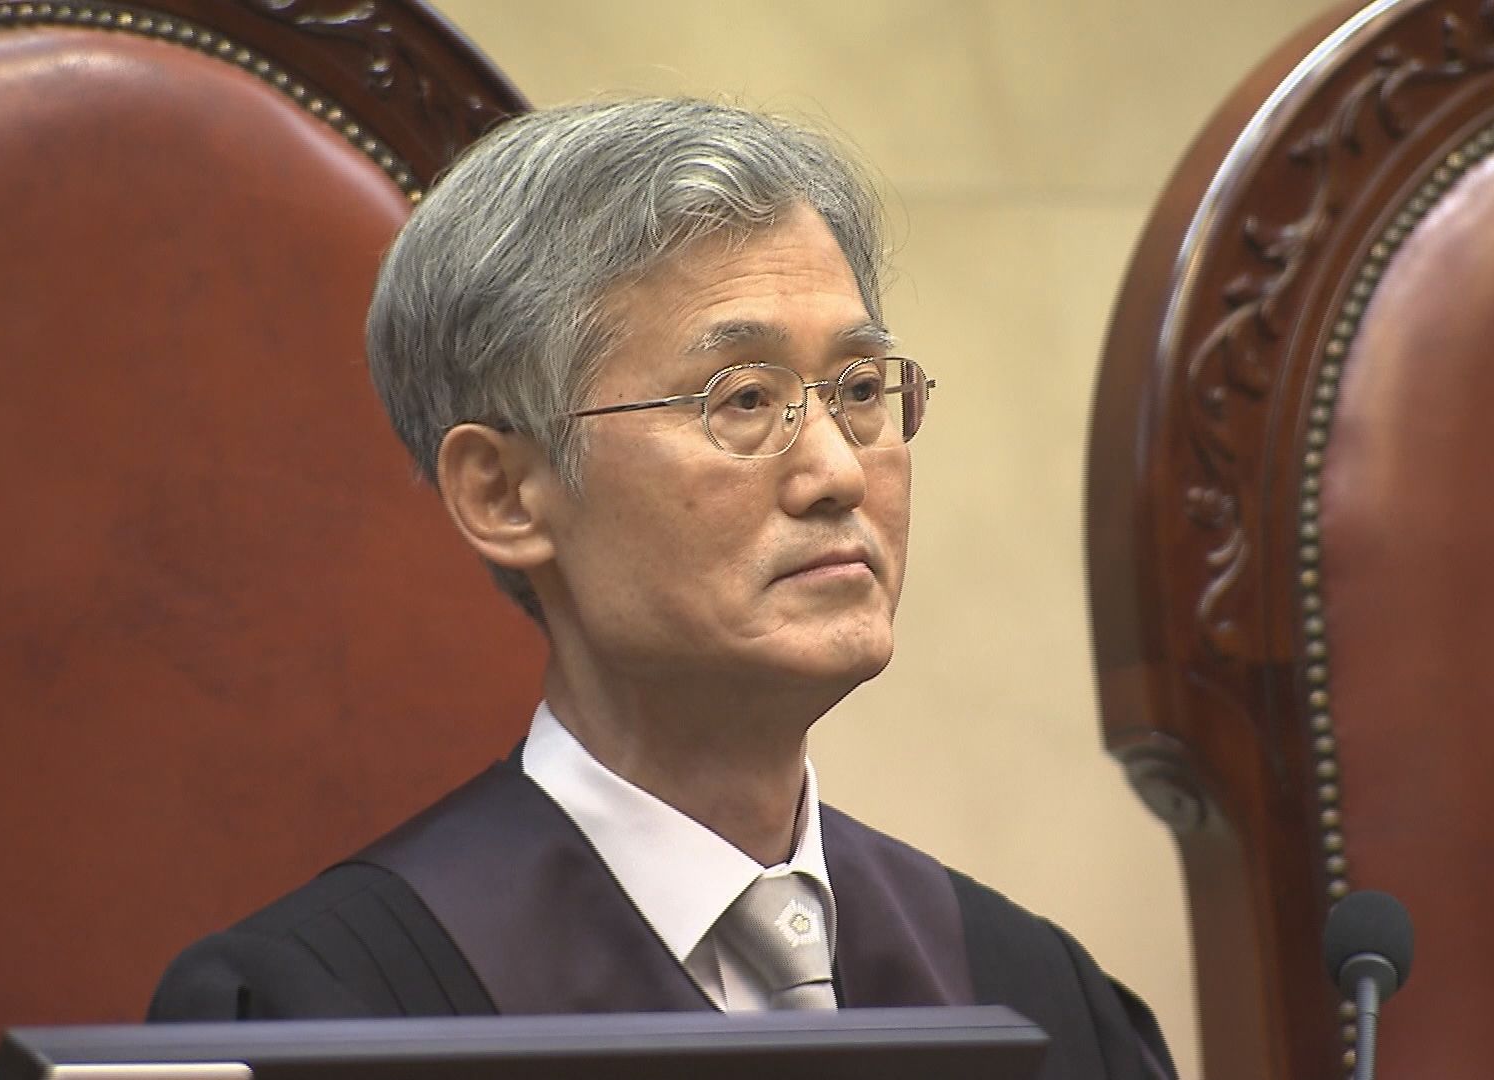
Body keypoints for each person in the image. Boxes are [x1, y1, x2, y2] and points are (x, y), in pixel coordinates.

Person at [150, 97, 1175, 1079]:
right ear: (504, 493)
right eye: (744, 399)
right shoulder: (314, 1019)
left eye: (861, 390)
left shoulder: (1037, 997)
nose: (839, 472)